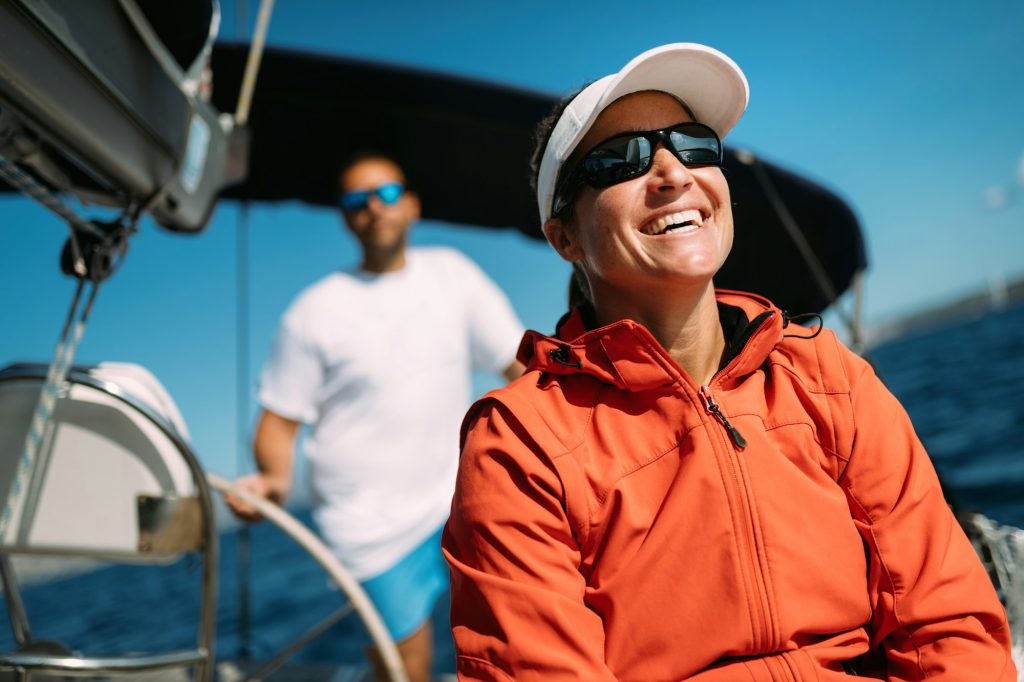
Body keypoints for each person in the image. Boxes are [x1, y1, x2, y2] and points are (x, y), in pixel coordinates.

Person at [442, 43, 1016, 681]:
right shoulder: (520, 445)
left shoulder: (830, 380)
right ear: (564, 238)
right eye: (619, 160)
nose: (673, 173)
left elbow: (946, 622)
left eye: (694, 146)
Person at [227, 151, 525, 682]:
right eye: (357, 200)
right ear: (345, 218)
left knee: (518, 638)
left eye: (386, 193)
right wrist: (273, 480)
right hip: (369, 528)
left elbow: (518, 366)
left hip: (465, 500)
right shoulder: (313, 312)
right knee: (404, 668)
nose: (374, 207)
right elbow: (277, 422)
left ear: (411, 205)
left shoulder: (453, 275)